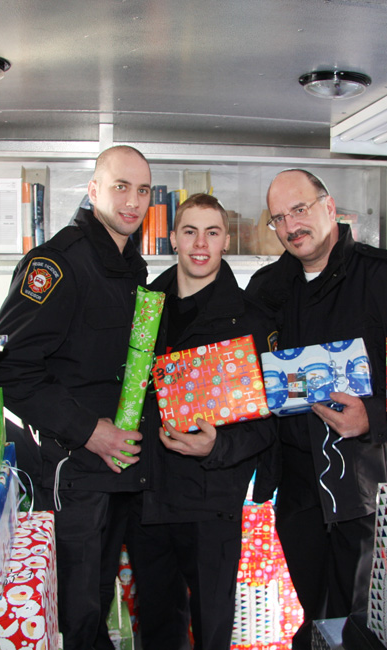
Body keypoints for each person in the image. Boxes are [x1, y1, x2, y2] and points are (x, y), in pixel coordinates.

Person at [245, 169, 387, 649]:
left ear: (329, 207)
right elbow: (248, 378)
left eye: (301, 209)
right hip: (297, 490)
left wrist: (374, 415)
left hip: (371, 483)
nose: (292, 225)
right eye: (279, 218)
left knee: (366, 626)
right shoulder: (266, 288)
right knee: (318, 618)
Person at [0, 145, 153, 650]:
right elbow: (8, 368)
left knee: (98, 598)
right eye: (120, 187)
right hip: (73, 469)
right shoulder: (58, 263)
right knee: (76, 610)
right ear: (93, 190)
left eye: (143, 190)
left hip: (120, 469)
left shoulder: (131, 266)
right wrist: (91, 431)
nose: (132, 201)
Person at [124, 193, 276, 650]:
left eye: (212, 232)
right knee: (157, 627)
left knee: (212, 630)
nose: (200, 244)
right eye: (190, 231)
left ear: (226, 240)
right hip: (147, 495)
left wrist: (217, 448)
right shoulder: (144, 310)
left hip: (211, 502)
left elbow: (271, 424)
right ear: (173, 238)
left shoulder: (251, 321)